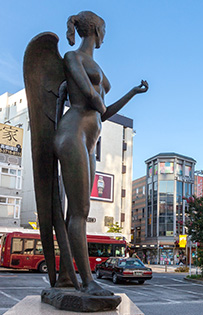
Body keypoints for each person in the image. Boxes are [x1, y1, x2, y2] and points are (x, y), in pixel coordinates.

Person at [38, 11, 148, 296]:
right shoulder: (72, 58)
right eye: (105, 29)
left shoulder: (93, 65)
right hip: (71, 133)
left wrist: (133, 93)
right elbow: (91, 97)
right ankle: (87, 281)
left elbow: (104, 111)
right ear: (96, 30)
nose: (105, 35)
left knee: (78, 211)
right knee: (80, 211)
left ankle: (67, 275)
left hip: (88, 140)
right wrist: (97, 98)